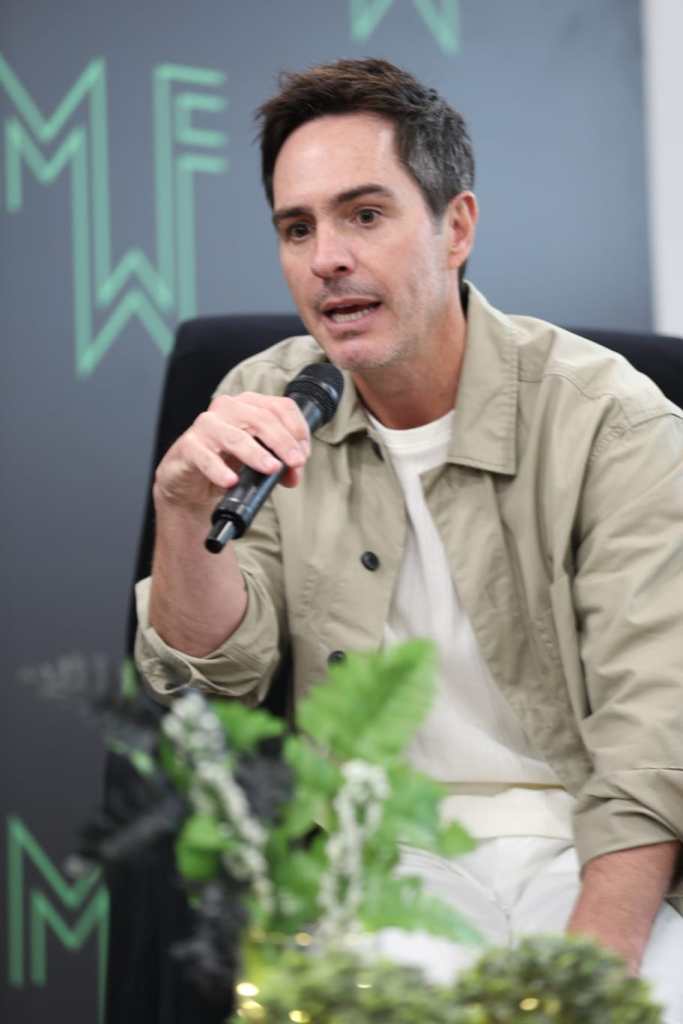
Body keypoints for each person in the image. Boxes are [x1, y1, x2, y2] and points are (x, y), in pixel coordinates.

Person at [135, 59, 683, 1018]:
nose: (326, 259)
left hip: (591, 846)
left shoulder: (611, 420)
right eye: (296, 228)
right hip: (382, 855)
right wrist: (181, 517)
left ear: (455, 227)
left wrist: (587, 980)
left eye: (363, 214)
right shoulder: (260, 401)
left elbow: (655, 732)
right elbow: (213, 675)